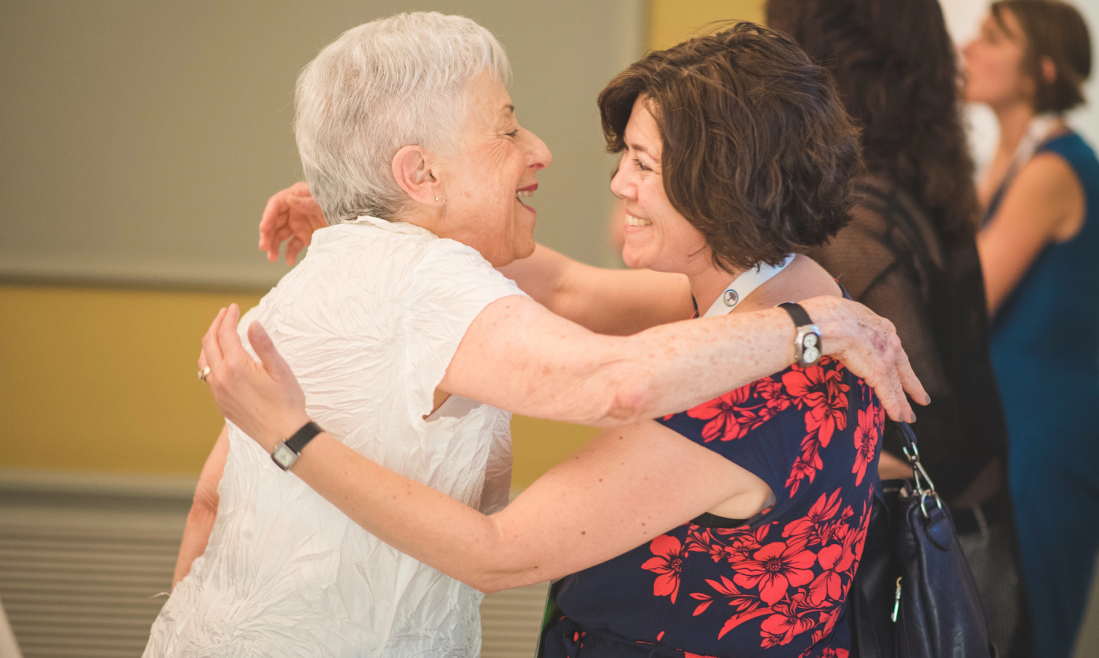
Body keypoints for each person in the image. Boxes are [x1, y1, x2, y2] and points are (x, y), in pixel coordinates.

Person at [154, 14, 925, 658]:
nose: (617, 181)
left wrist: (292, 436)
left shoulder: (763, 359)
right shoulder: (780, 294)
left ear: (725, 182)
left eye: (644, 163)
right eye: (625, 155)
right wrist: (377, 208)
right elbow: (567, 287)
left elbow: (503, 549)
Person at [766, 0, 1032, 654]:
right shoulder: (916, 177)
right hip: (977, 528)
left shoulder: (862, 217)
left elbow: (926, 425)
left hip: (941, 557)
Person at [964, 2, 1099, 656]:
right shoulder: (1004, 164)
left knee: (1028, 637)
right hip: (1012, 435)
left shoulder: (1052, 170)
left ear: (1041, 72)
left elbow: (970, 300)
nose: (969, 47)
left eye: (994, 38)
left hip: (1048, 444)